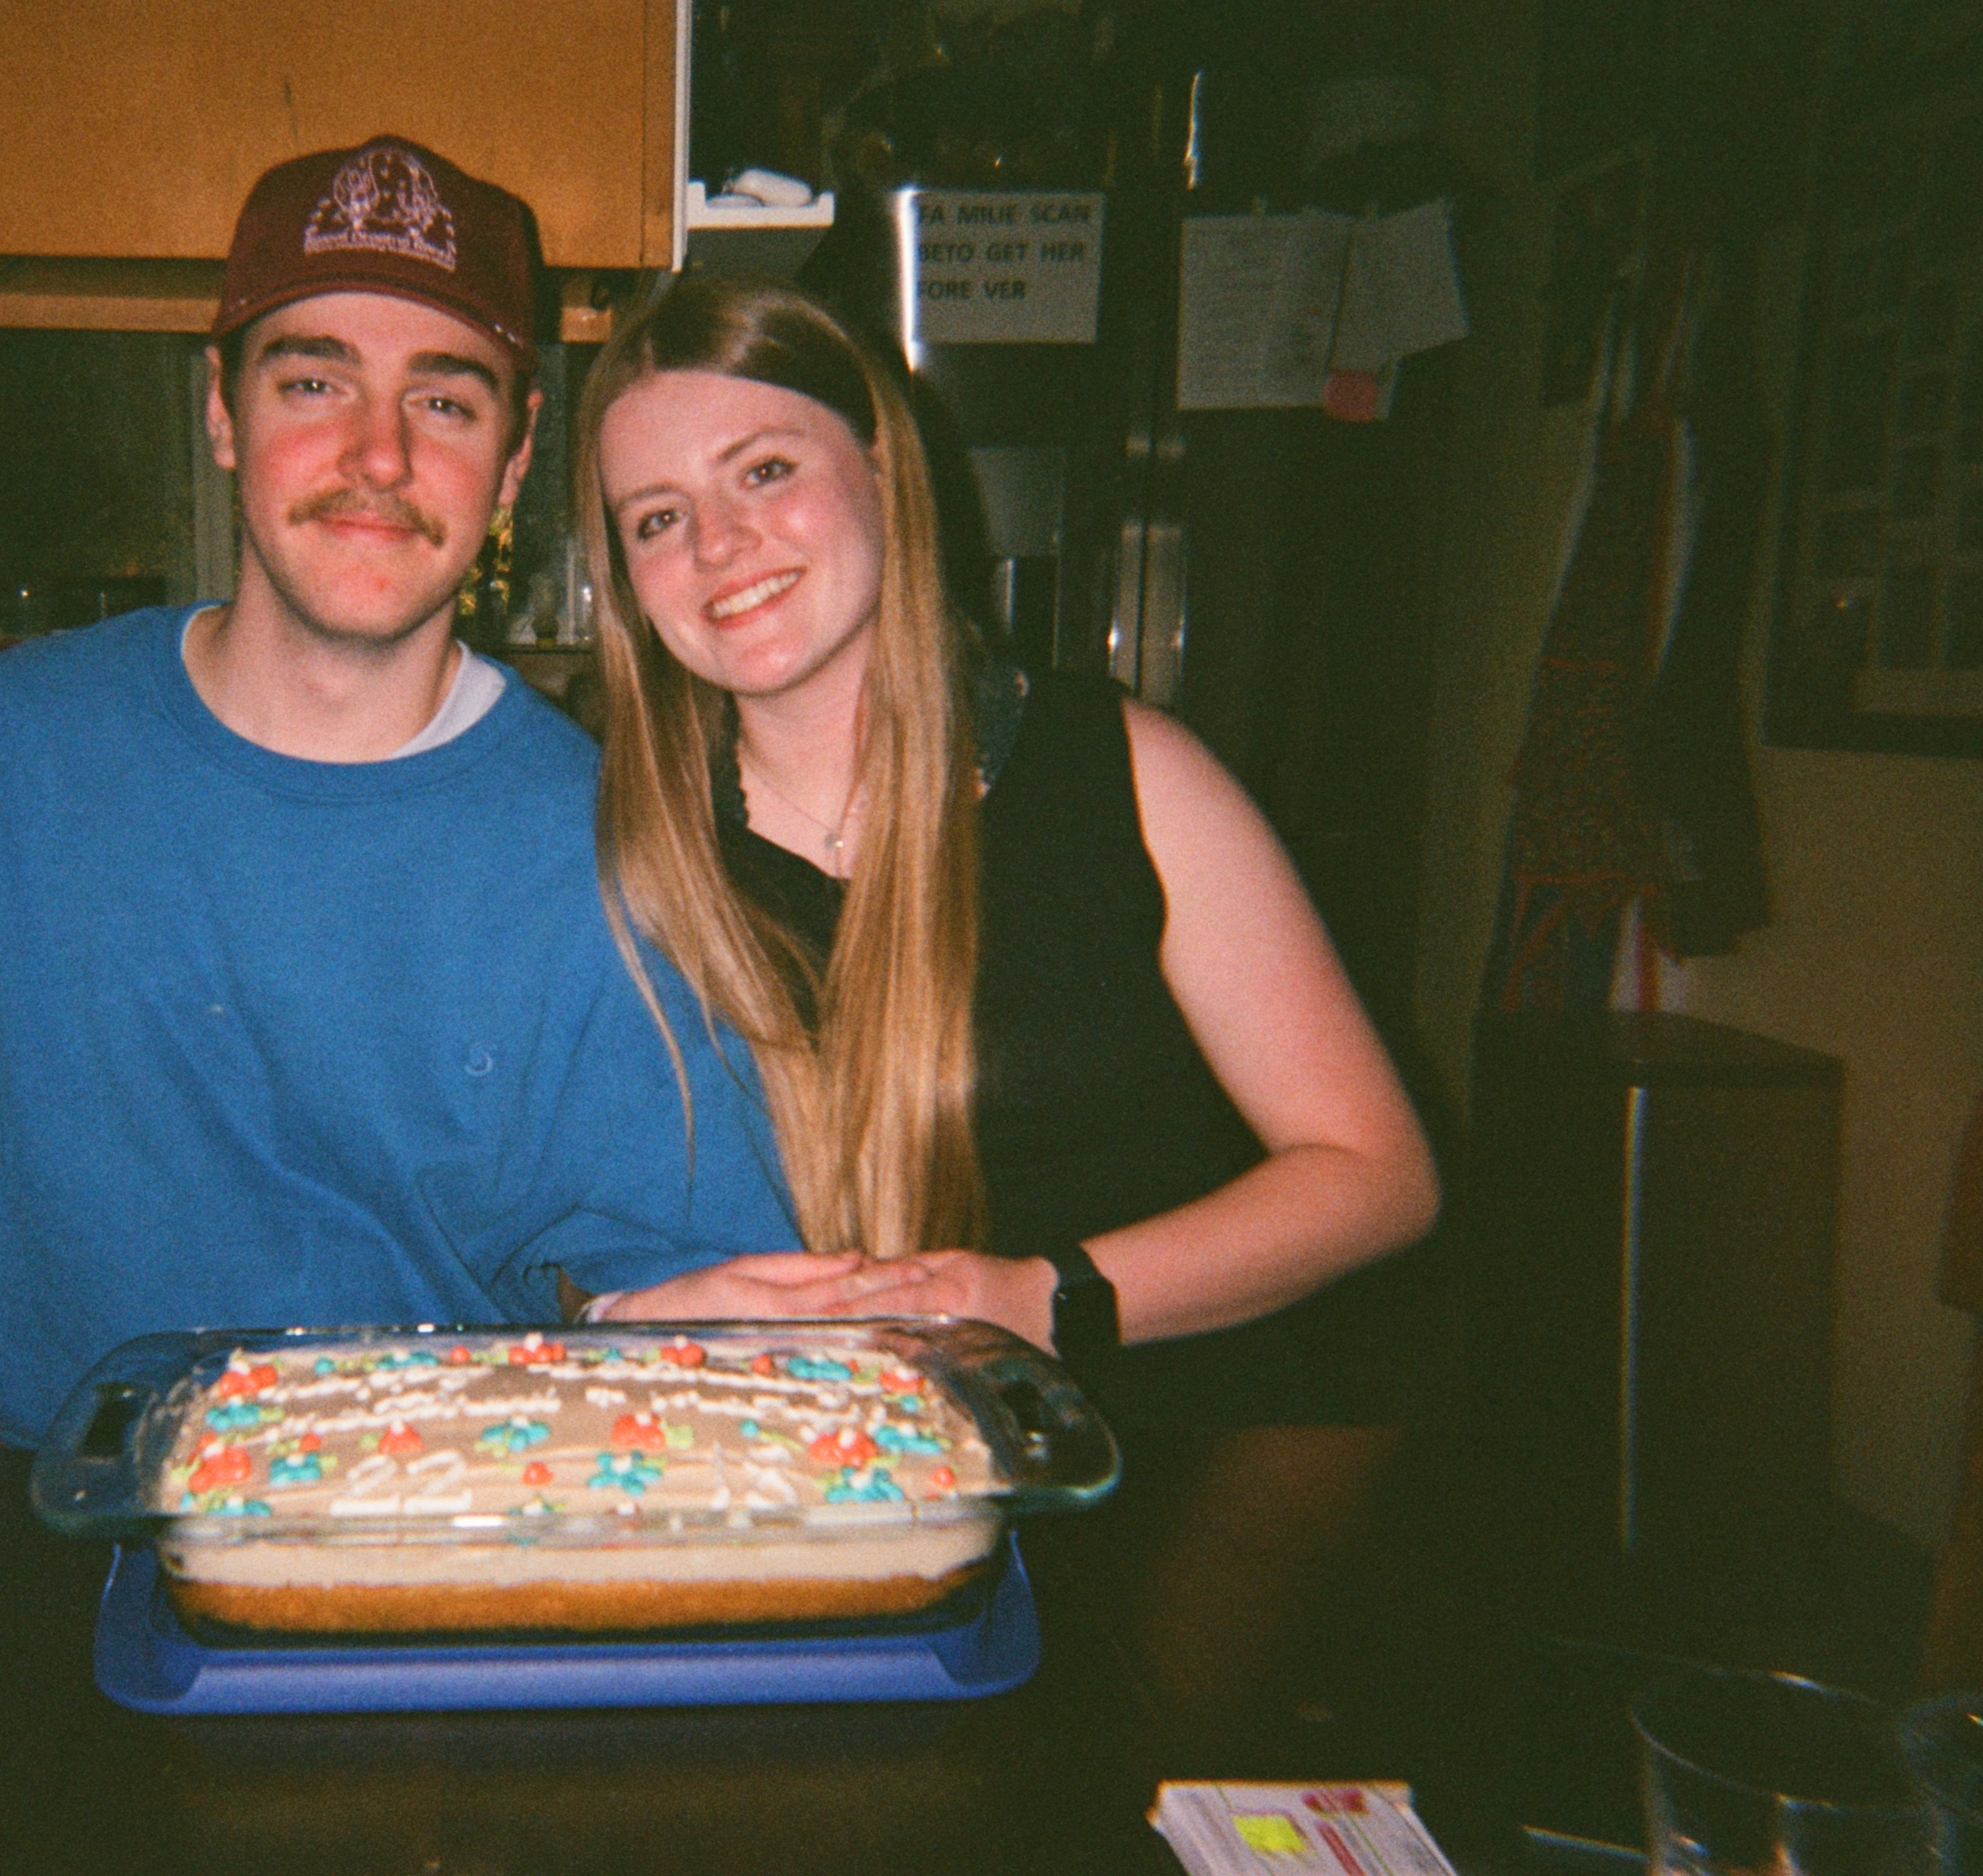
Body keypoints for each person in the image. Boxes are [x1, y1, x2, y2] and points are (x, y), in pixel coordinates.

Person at [0, 142, 872, 1450]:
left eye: (445, 403)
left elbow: (698, 1296)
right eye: (311, 382)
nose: (378, 454)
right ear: (222, 416)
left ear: (513, 467)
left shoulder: (610, 852)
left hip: (421, 1564)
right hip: (26, 1559)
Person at [571, 275, 1440, 1423]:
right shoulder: (601, 841)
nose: (720, 544)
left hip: (1149, 1445)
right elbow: (527, 1223)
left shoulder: (1129, 775)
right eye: (658, 517)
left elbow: (1374, 1176)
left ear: (882, 467)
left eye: (765, 470)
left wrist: (1043, 1297)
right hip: (795, 1468)